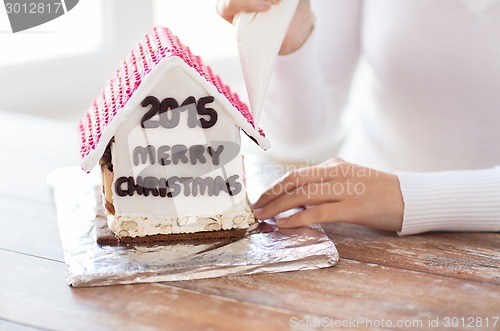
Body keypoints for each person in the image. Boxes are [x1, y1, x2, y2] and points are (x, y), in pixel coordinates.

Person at [216, 0, 500, 235]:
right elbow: (301, 138)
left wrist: (405, 197)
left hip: (475, 243)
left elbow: (396, 197)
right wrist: (287, 41)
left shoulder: (393, 197)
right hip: (358, 218)